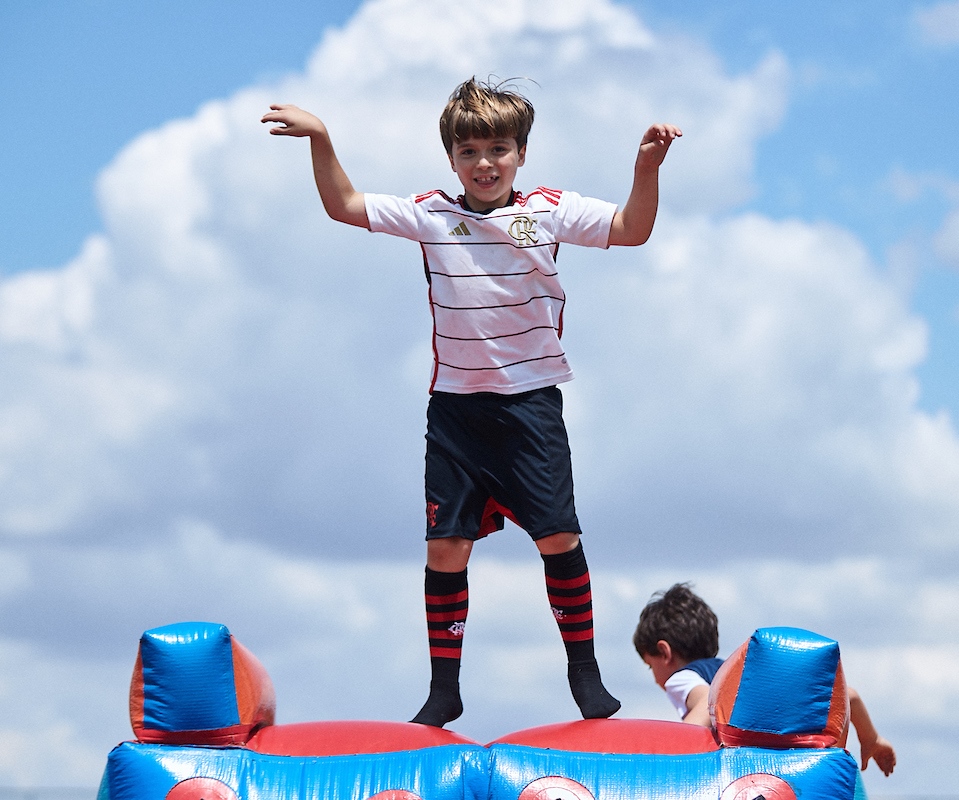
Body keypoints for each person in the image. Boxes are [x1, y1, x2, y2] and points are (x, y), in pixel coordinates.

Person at [263, 78, 681, 728]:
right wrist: (321, 138)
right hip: (455, 412)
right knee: (445, 550)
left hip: (529, 409)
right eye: (470, 152)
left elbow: (632, 229)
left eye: (499, 149)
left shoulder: (549, 209)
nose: (485, 163)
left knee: (559, 537)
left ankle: (584, 672)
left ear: (520, 153)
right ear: (452, 159)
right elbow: (344, 204)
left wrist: (645, 169)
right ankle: (444, 687)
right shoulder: (432, 214)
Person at [633, 584, 897, 777]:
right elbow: (847, 695)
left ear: (664, 653)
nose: (655, 678)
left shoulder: (681, 679)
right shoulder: (733, 673)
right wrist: (870, 739)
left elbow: (705, 701)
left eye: (649, 666)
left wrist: (668, 759)